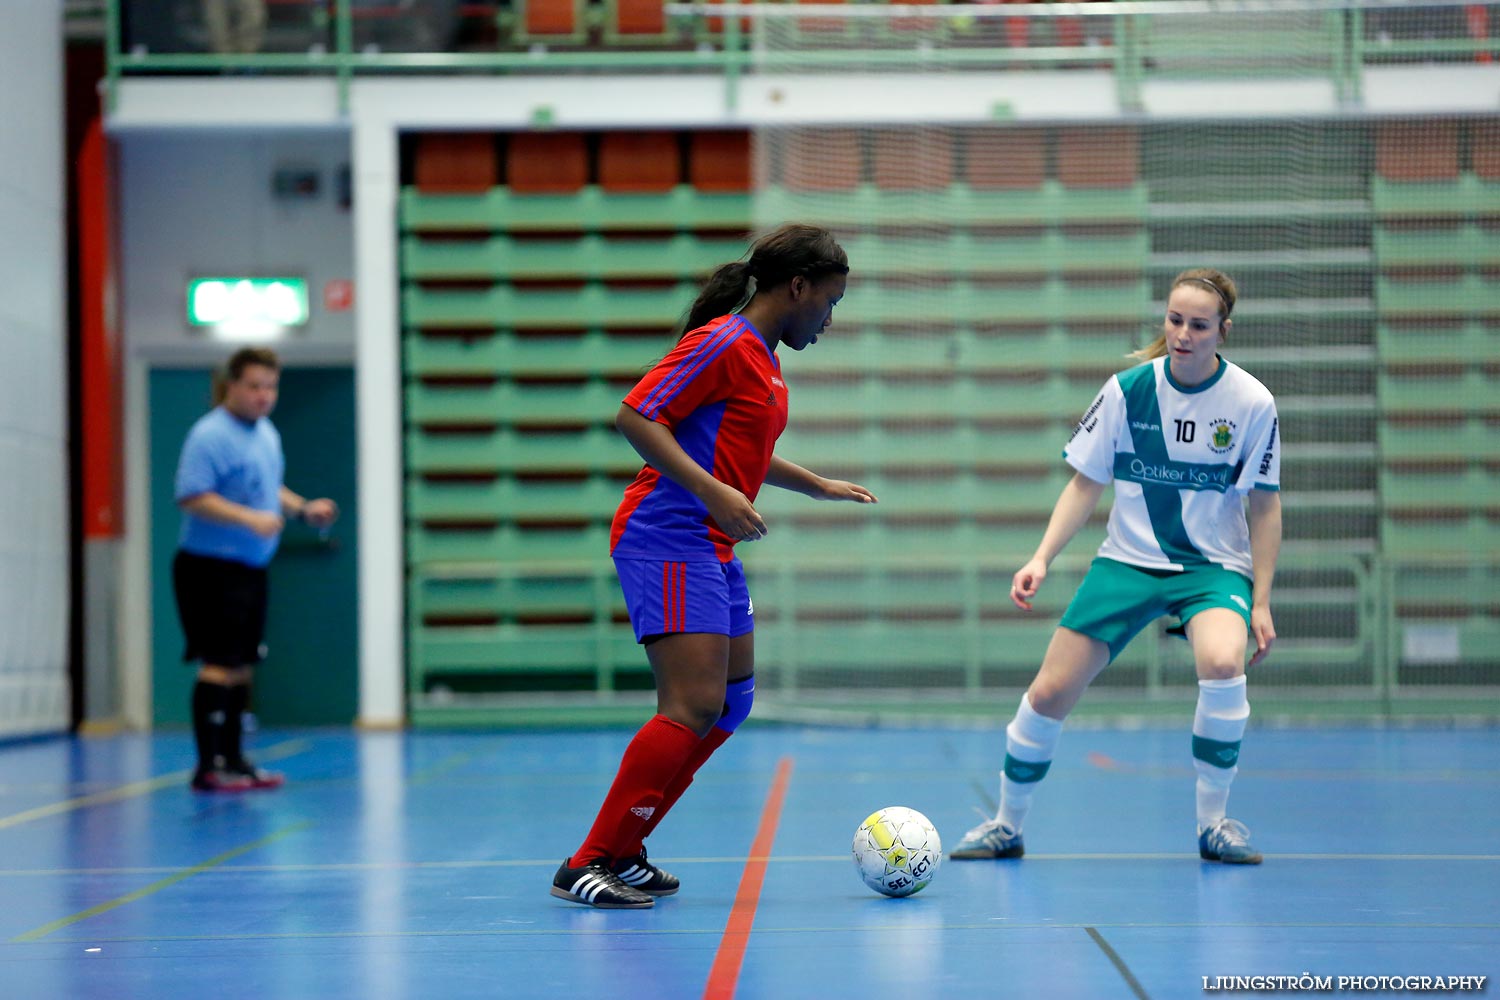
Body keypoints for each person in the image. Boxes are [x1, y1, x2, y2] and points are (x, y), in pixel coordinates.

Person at [551, 224, 878, 908]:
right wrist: (714, 491)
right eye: (830, 301)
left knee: (730, 702)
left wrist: (816, 483)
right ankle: (588, 860)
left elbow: (741, 450)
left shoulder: (765, 358)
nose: (829, 318)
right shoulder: (725, 342)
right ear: (797, 288)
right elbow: (637, 417)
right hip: (666, 535)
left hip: (708, 543)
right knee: (693, 703)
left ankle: (626, 846)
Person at [951, 268, 1282, 865]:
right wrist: (1041, 558)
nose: (1183, 334)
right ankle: (1006, 824)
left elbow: (1265, 503)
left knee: (1223, 660)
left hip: (1211, 568)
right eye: (1175, 320)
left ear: (1222, 332)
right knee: (1050, 690)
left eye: (1199, 325)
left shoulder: (1252, 403)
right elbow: (1085, 485)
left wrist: (1259, 600)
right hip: (1127, 563)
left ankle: (1214, 824)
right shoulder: (1126, 391)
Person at [173, 347, 339, 792]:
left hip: (250, 567)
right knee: (218, 663)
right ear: (231, 385)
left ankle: (235, 758)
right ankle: (208, 766)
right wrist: (250, 519)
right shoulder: (209, 435)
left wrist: (302, 509)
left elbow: (269, 488)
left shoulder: (265, 433)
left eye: (271, 386)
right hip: (210, 567)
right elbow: (192, 495)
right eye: (254, 386)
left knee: (244, 664)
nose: (264, 396)